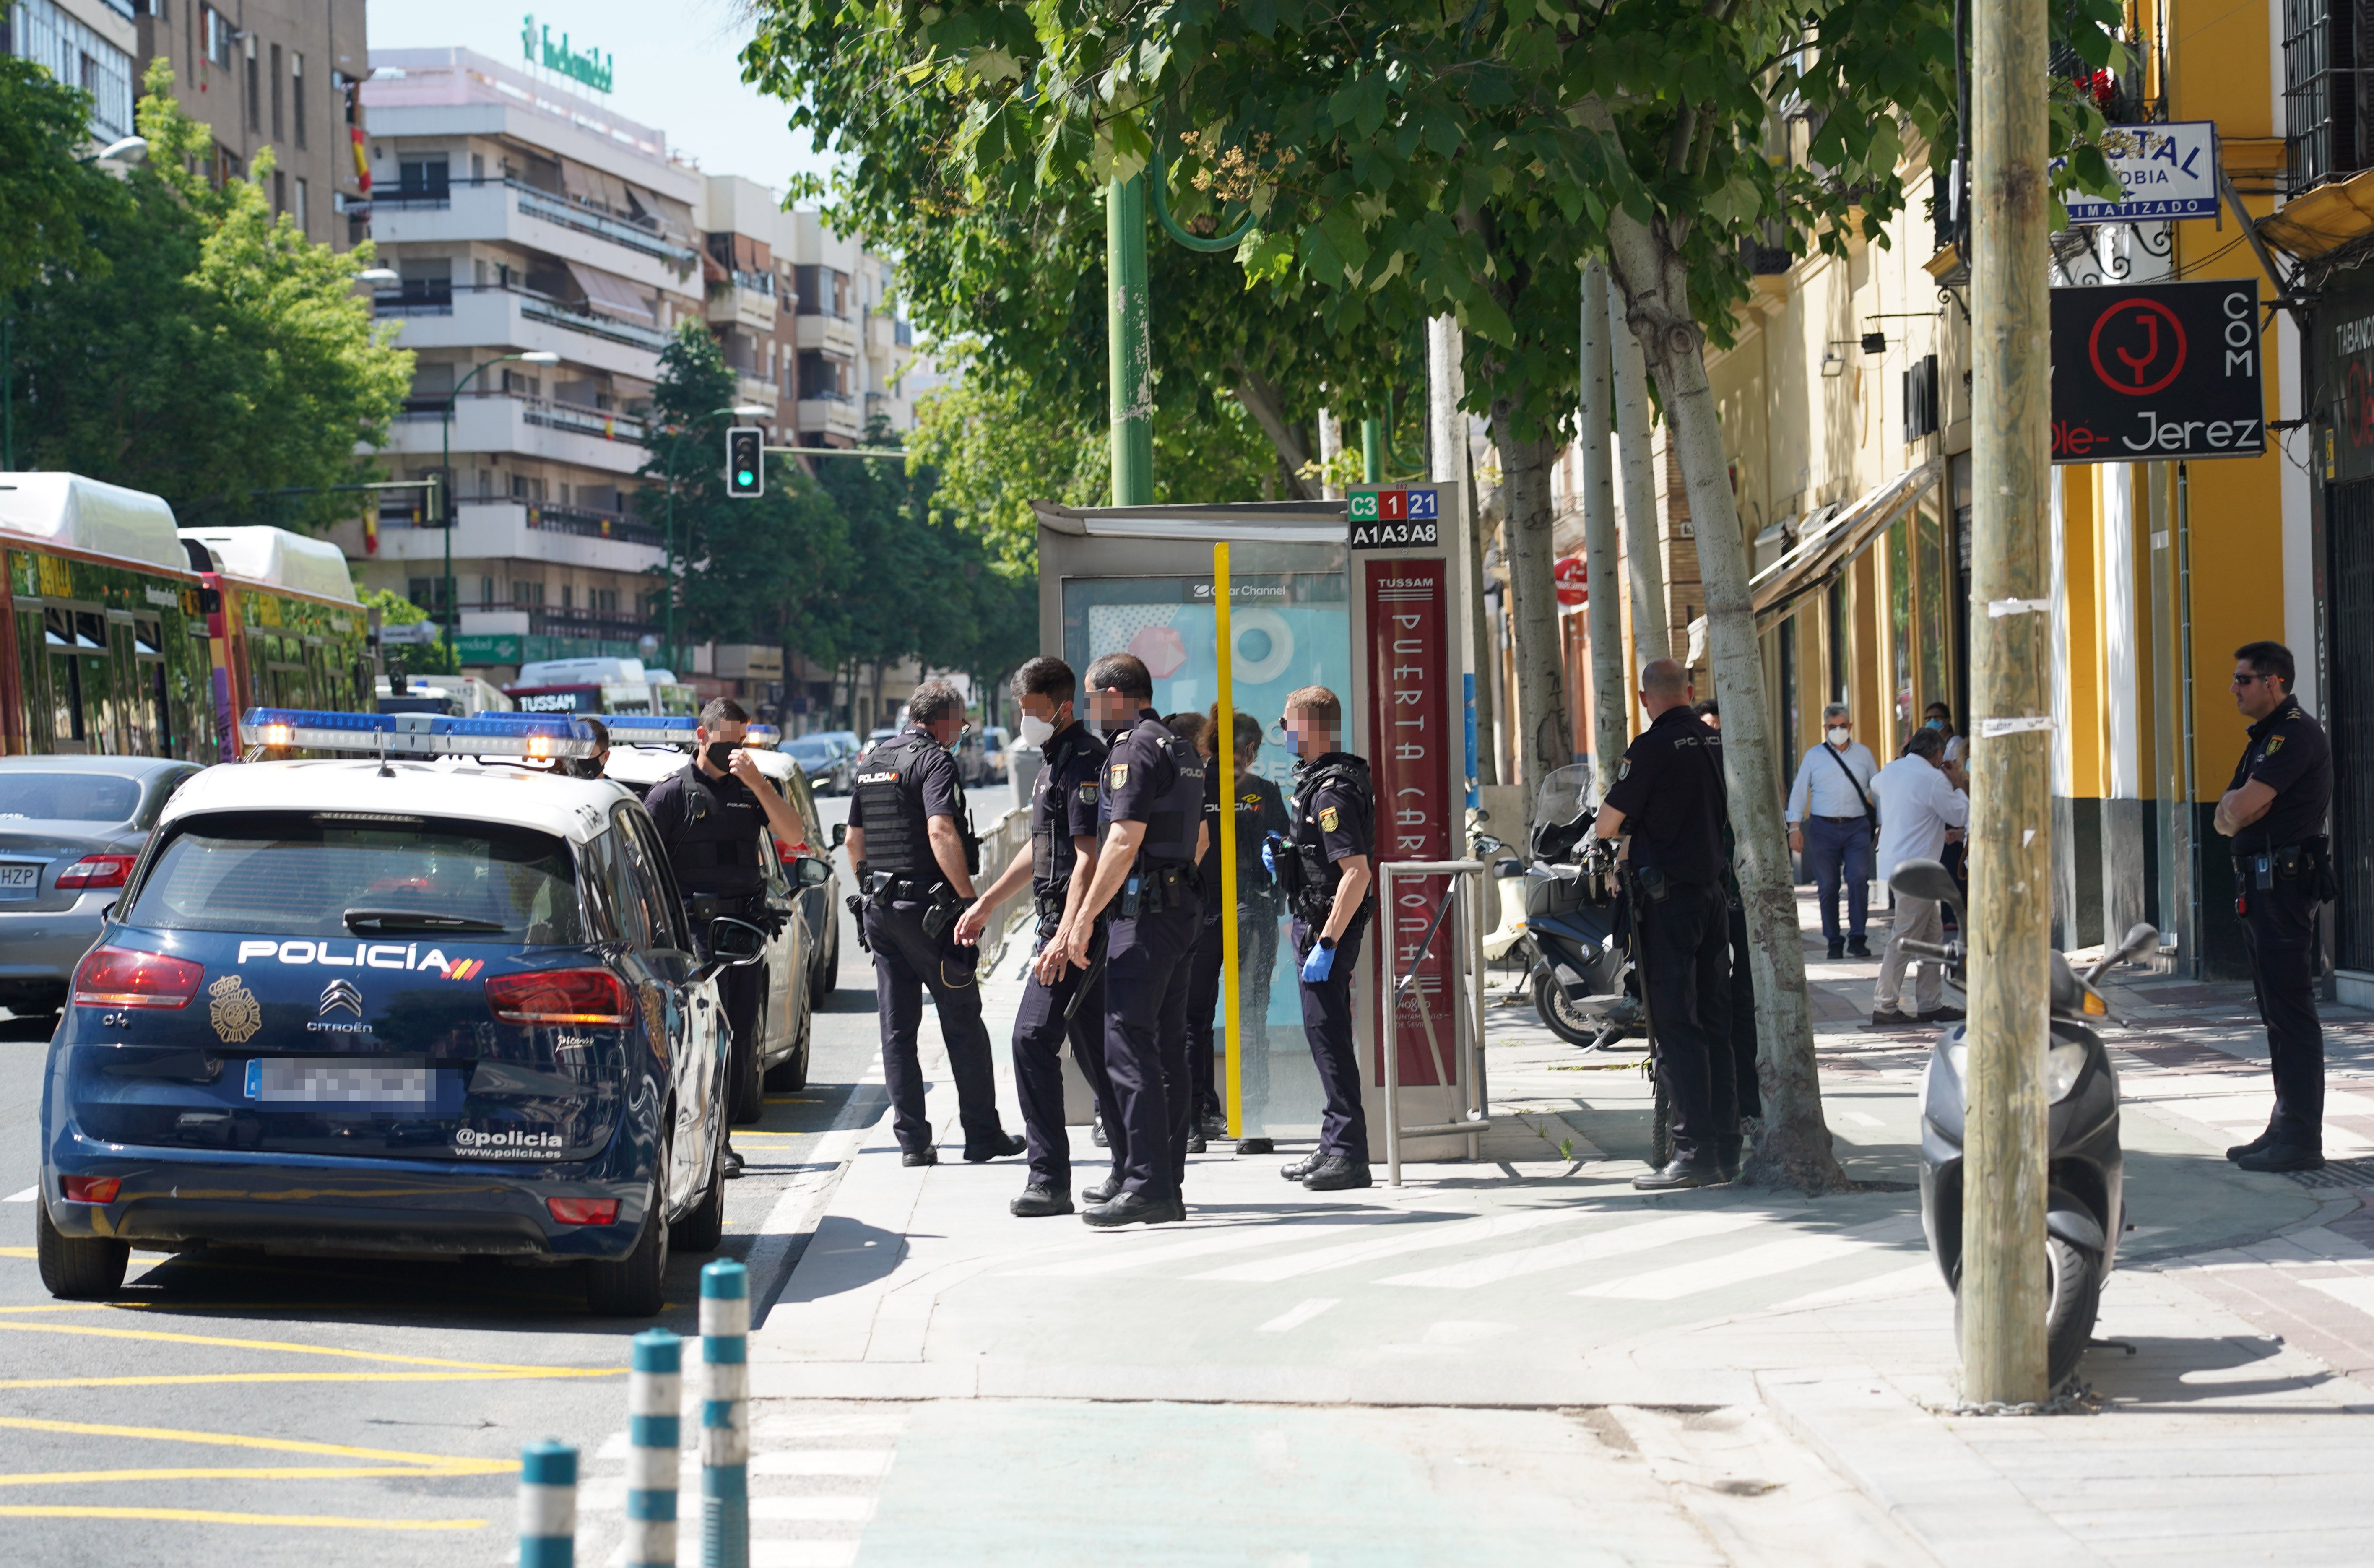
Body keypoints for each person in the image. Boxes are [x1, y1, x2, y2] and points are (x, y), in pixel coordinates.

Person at [955, 658, 1123, 1216]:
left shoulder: (1084, 762)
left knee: (1031, 1039)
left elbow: (1087, 857)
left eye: (1032, 711)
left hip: (1073, 930)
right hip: (1065, 924)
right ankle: (1134, 1165)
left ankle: (1049, 1178)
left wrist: (1066, 932)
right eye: (1021, 711)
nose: (1026, 721)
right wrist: (986, 902)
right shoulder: (1055, 761)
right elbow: (1038, 847)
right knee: (1099, 1052)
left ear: (1064, 706)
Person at [845, 681, 1025, 1168]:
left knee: (898, 1029)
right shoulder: (934, 761)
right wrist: (969, 900)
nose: (961, 734)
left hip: (882, 912)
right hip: (930, 913)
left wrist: (871, 887)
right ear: (942, 721)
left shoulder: (874, 761)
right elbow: (940, 829)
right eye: (961, 725)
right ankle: (983, 1135)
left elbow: (853, 839)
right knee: (963, 1017)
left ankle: (912, 1143)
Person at [1062, 654, 1210, 1227]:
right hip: (1179, 911)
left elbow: (1121, 841)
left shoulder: (1131, 749)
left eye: (1095, 698)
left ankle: (1147, 1185)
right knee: (1167, 1048)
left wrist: (1082, 919)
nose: (1091, 711)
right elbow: (1196, 838)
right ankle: (1159, 1177)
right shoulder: (1180, 747)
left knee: (1128, 1043)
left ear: (1118, 694)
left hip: (1144, 916)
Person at [644, 699, 807, 1180]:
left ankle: (723, 1140)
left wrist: (757, 782)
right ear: (702, 735)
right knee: (695, 1041)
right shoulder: (670, 794)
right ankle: (688, 1140)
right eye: (726, 742)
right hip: (691, 936)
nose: (734, 751)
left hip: (742, 933)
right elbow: (647, 874)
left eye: (742, 742)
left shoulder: (754, 788)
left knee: (735, 1038)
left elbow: (794, 835)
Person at [1596, 658, 1738, 1188]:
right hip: (1713, 898)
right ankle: (1725, 1148)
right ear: (1691, 690)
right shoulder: (1715, 741)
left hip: (1668, 901)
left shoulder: (1651, 747)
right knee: (1716, 1024)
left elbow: (1607, 823)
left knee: (1676, 1026)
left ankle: (1693, 1153)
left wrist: (1633, 826)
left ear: (1644, 698)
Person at [2215, 640, 2336, 1174]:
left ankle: (2302, 1137)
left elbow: (2237, 807)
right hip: (2263, 883)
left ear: (2274, 683)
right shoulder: (2267, 736)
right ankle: (2284, 1122)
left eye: (2244, 679)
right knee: (2275, 1013)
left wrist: (2235, 810)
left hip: (2283, 885)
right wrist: (2233, 811)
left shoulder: (2294, 734)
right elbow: (2227, 813)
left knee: (2292, 1012)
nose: (2235, 688)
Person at [1269, 686, 1377, 1192]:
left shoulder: (1332, 790)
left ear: (1308, 725)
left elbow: (1356, 873)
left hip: (1325, 930)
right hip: (1315, 923)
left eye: (1288, 721)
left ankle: (1349, 1155)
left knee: (1330, 1037)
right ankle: (1335, 1142)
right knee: (1323, 1035)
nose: (1283, 730)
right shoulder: (1318, 781)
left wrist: (1328, 943)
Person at [1214, 706, 1290, 1152]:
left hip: (1202, 913)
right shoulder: (1263, 792)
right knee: (1250, 1018)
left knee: (1191, 1017)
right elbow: (1283, 853)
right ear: (1253, 750)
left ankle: (1198, 1117)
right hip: (1253, 914)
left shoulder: (1200, 788)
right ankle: (1252, 1117)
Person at [1686, 697, 1759, 1123]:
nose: (1712, 735)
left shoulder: (1739, 770)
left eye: (1717, 727)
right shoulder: (1690, 774)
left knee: (1741, 1006)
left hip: (1737, 904)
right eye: (1706, 728)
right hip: (1700, 901)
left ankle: (1746, 1105)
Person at [1868, 727, 1970, 1027]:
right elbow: (1960, 815)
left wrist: (1903, 759)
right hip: (1917, 869)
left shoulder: (1890, 771)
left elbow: (1875, 783)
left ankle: (1929, 1002)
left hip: (1897, 865)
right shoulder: (1933, 779)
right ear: (1938, 754)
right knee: (1905, 936)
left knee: (1931, 936)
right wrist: (1957, 783)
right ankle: (1884, 1004)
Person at [1166, 710, 1226, 1152]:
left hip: (1192, 909)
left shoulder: (1191, 785)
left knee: (1185, 1020)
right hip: (1217, 908)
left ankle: (1192, 1116)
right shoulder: (1220, 785)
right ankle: (1204, 1108)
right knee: (1197, 1019)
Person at [1786, 702, 1881, 960]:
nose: (1838, 730)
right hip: (1823, 828)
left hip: (1857, 827)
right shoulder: (1814, 756)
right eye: (1832, 727)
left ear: (1850, 726)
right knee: (1828, 886)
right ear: (1825, 728)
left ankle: (1858, 938)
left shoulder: (1864, 755)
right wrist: (1794, 827)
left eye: (1842, 726)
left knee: (1859, 878)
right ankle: (1834, 941)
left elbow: (1878, 790)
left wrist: (1882, 824)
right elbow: (1798, 792)